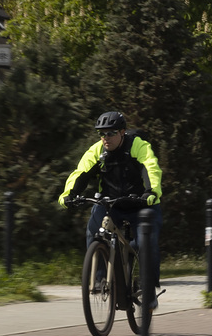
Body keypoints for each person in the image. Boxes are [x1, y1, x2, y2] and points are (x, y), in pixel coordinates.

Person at [61, 110, 164, 282]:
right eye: (102, 134)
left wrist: (151, 191)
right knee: (94, 231)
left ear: (122, 132)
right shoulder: (97, 151)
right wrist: (69, 194)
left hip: (141, 203)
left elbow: (150, 167)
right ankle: (101, 281)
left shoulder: (138, 145)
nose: (105, 138)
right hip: (111, 204)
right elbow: (81, 172)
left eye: (111, 133)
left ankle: (149, 290)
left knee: (146, 244)